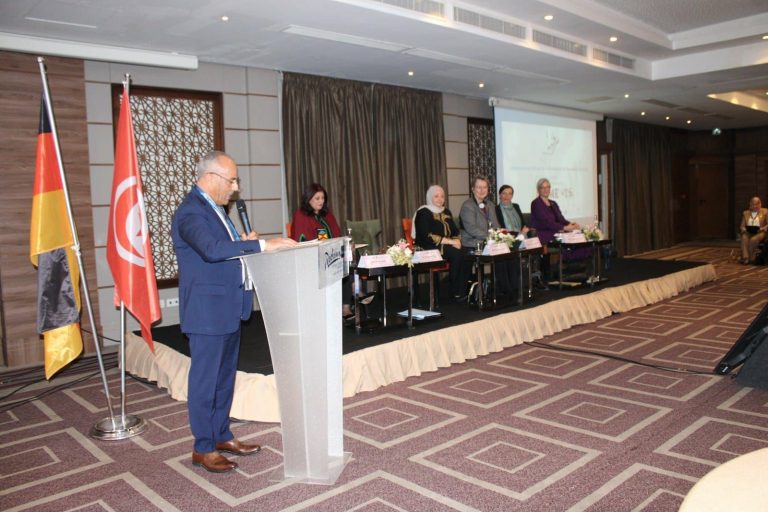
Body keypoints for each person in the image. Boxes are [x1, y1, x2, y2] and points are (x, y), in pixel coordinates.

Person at [172, 151, 297, 473]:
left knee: (224, 379)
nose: (235, 187)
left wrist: (243, 243)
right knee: (205, 381)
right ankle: (203, 447)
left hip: (226, 307)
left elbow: (224, 251)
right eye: (231, 181)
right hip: (206, 312)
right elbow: (211, 251)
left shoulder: (216, 210)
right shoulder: (190, 211)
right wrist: (261, 245)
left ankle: (221, 435)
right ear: (211, 177)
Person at [290, 183, 354, 317]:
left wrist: (345, 245)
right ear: (308, 199)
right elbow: (301, 241)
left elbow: (337, 235)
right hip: (312, 257)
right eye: (317, 198)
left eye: (323, 198)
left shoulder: (327, 214)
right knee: (340, 263)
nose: (321, 201)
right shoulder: (301, 215)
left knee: (349, 255)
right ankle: (351, 296)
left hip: (332, 253)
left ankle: (347, 303)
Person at [460, 175, 513, 297]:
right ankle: (504, 290)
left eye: (485, 187)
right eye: (479, 187)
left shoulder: (490, 204)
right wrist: (492, 238)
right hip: (473, 243)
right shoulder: (467, 205)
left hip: (488, 242)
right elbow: (472, 229)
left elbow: (496, 225)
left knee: (508, 250)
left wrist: (500, 235)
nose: (482, 190)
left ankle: (506, 288)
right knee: (499, 251)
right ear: (473, 189)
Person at [413, 185, 465, 301]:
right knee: (456, 254)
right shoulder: (423, 212)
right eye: (436, 196)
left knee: (464, 251)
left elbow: (455, 231)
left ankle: (461, 289)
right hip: (428, 247)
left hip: (446, 245)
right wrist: (450, 241)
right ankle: (454, 291)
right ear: (430, 197)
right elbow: (426, 235)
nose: (440, 199)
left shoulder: (446, 211)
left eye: (442, 196)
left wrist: (457, 240)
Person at [530, 178, 580, 282]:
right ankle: (561, 273)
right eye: (542, 188)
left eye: (547, 187)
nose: (545, 190)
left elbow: (561, 219)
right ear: (538, 190)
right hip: (543, 234)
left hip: (556, 232)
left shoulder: (553, 203)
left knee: (576, 237)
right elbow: (546, 222)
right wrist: (565, 228)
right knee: (567, 240)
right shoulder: (536, 203)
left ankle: (572, 272)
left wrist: (571, 224)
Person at [739, 196, 768, 264]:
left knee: (753, 240)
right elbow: (742, 226)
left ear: (760, 204)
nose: (755, 206)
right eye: (753, 204)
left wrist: (763, 228)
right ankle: (746, 258)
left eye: (756, 204)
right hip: (749, 232)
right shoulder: (746, 213)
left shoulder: (765, 211)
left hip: (760, 232)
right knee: (744, 237)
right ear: (750, 205)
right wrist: (744, 229)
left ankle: (751, 258)